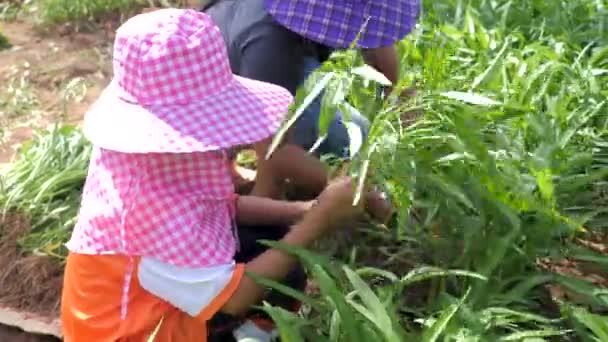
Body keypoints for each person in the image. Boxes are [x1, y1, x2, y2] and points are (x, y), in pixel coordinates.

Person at [60, 9, 369, 341]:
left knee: (272, 245)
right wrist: (317, 222)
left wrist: (304, 210)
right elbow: (236, 297)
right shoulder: (144, 218)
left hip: (157, 306)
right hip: (138, 333)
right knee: (270, 270)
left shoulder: (146, 158)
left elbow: (218, 204)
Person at [203, 0, 421, 159]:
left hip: (264, 47)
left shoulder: (303, 14)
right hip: (227, 93)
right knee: (351, 144)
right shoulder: (270, 43)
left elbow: (373, 29)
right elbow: (273, 151)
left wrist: (398, 96)